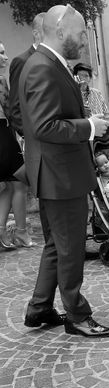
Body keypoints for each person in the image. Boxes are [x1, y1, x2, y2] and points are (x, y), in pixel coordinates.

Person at [19, 4, 109, 337]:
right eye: (78, 33)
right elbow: (45, 126)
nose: (83, 40)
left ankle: (40, 307)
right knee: (71, 246)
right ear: (60, 32)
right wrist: (88, 127)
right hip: (60, 176)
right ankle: (76, 314)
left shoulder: (50, 64)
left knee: (55, 245)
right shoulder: (41, 67)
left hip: (58, 174)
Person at [5, 13, 46, 249]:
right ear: (37, 32)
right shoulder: (22, 60)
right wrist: (30, 135)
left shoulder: (49, 58)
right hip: (35, 139)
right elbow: (14, 107)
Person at [0, 40, 29, 249]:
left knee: (11, 186)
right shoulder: (1, 80)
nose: (5, 57)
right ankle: (19, 232)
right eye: (1, 53)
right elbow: (10, 109)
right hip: (3, 134)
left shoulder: (2, 79)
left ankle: (5, 232)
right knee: (17, 182)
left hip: (5, 131)